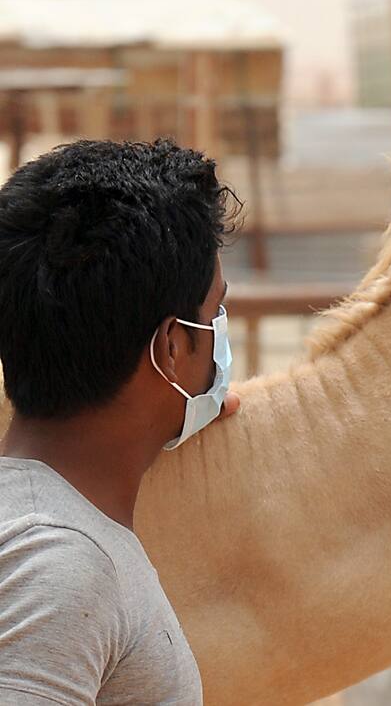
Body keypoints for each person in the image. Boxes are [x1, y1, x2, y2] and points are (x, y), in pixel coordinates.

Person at [0, 139, 242, 704]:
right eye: (215, 312)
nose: (220, 333)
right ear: (173, 348)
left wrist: (157, 422)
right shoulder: (60, 565)